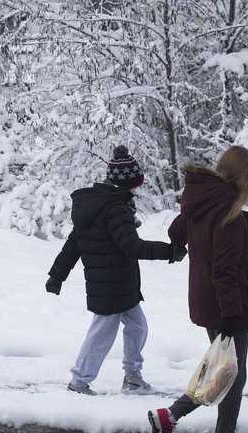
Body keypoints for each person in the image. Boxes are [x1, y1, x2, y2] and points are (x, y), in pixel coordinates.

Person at [46, 145, 187, 396]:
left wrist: (57, 275)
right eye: (136, 184)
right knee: (102, 334)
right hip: (110, 286)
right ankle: (79, 382)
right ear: (128, 183)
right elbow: (131, 246)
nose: (138, 189)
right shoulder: (115, 208)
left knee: (138, 327)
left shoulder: (100, 206)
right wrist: (169, 251)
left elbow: (73, 244)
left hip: (121, 284)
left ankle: (133, 378)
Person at [149, 146, 248, 433]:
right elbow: (224, 270)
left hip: (207, 300)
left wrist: (190, 218)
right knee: (231, 374)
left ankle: (171, 416)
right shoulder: (229, 213)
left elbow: (176, 234)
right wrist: (231, 314)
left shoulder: (203, 200)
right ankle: (177, 416)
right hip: (227, 305)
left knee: (223, 368)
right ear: (244, 176)